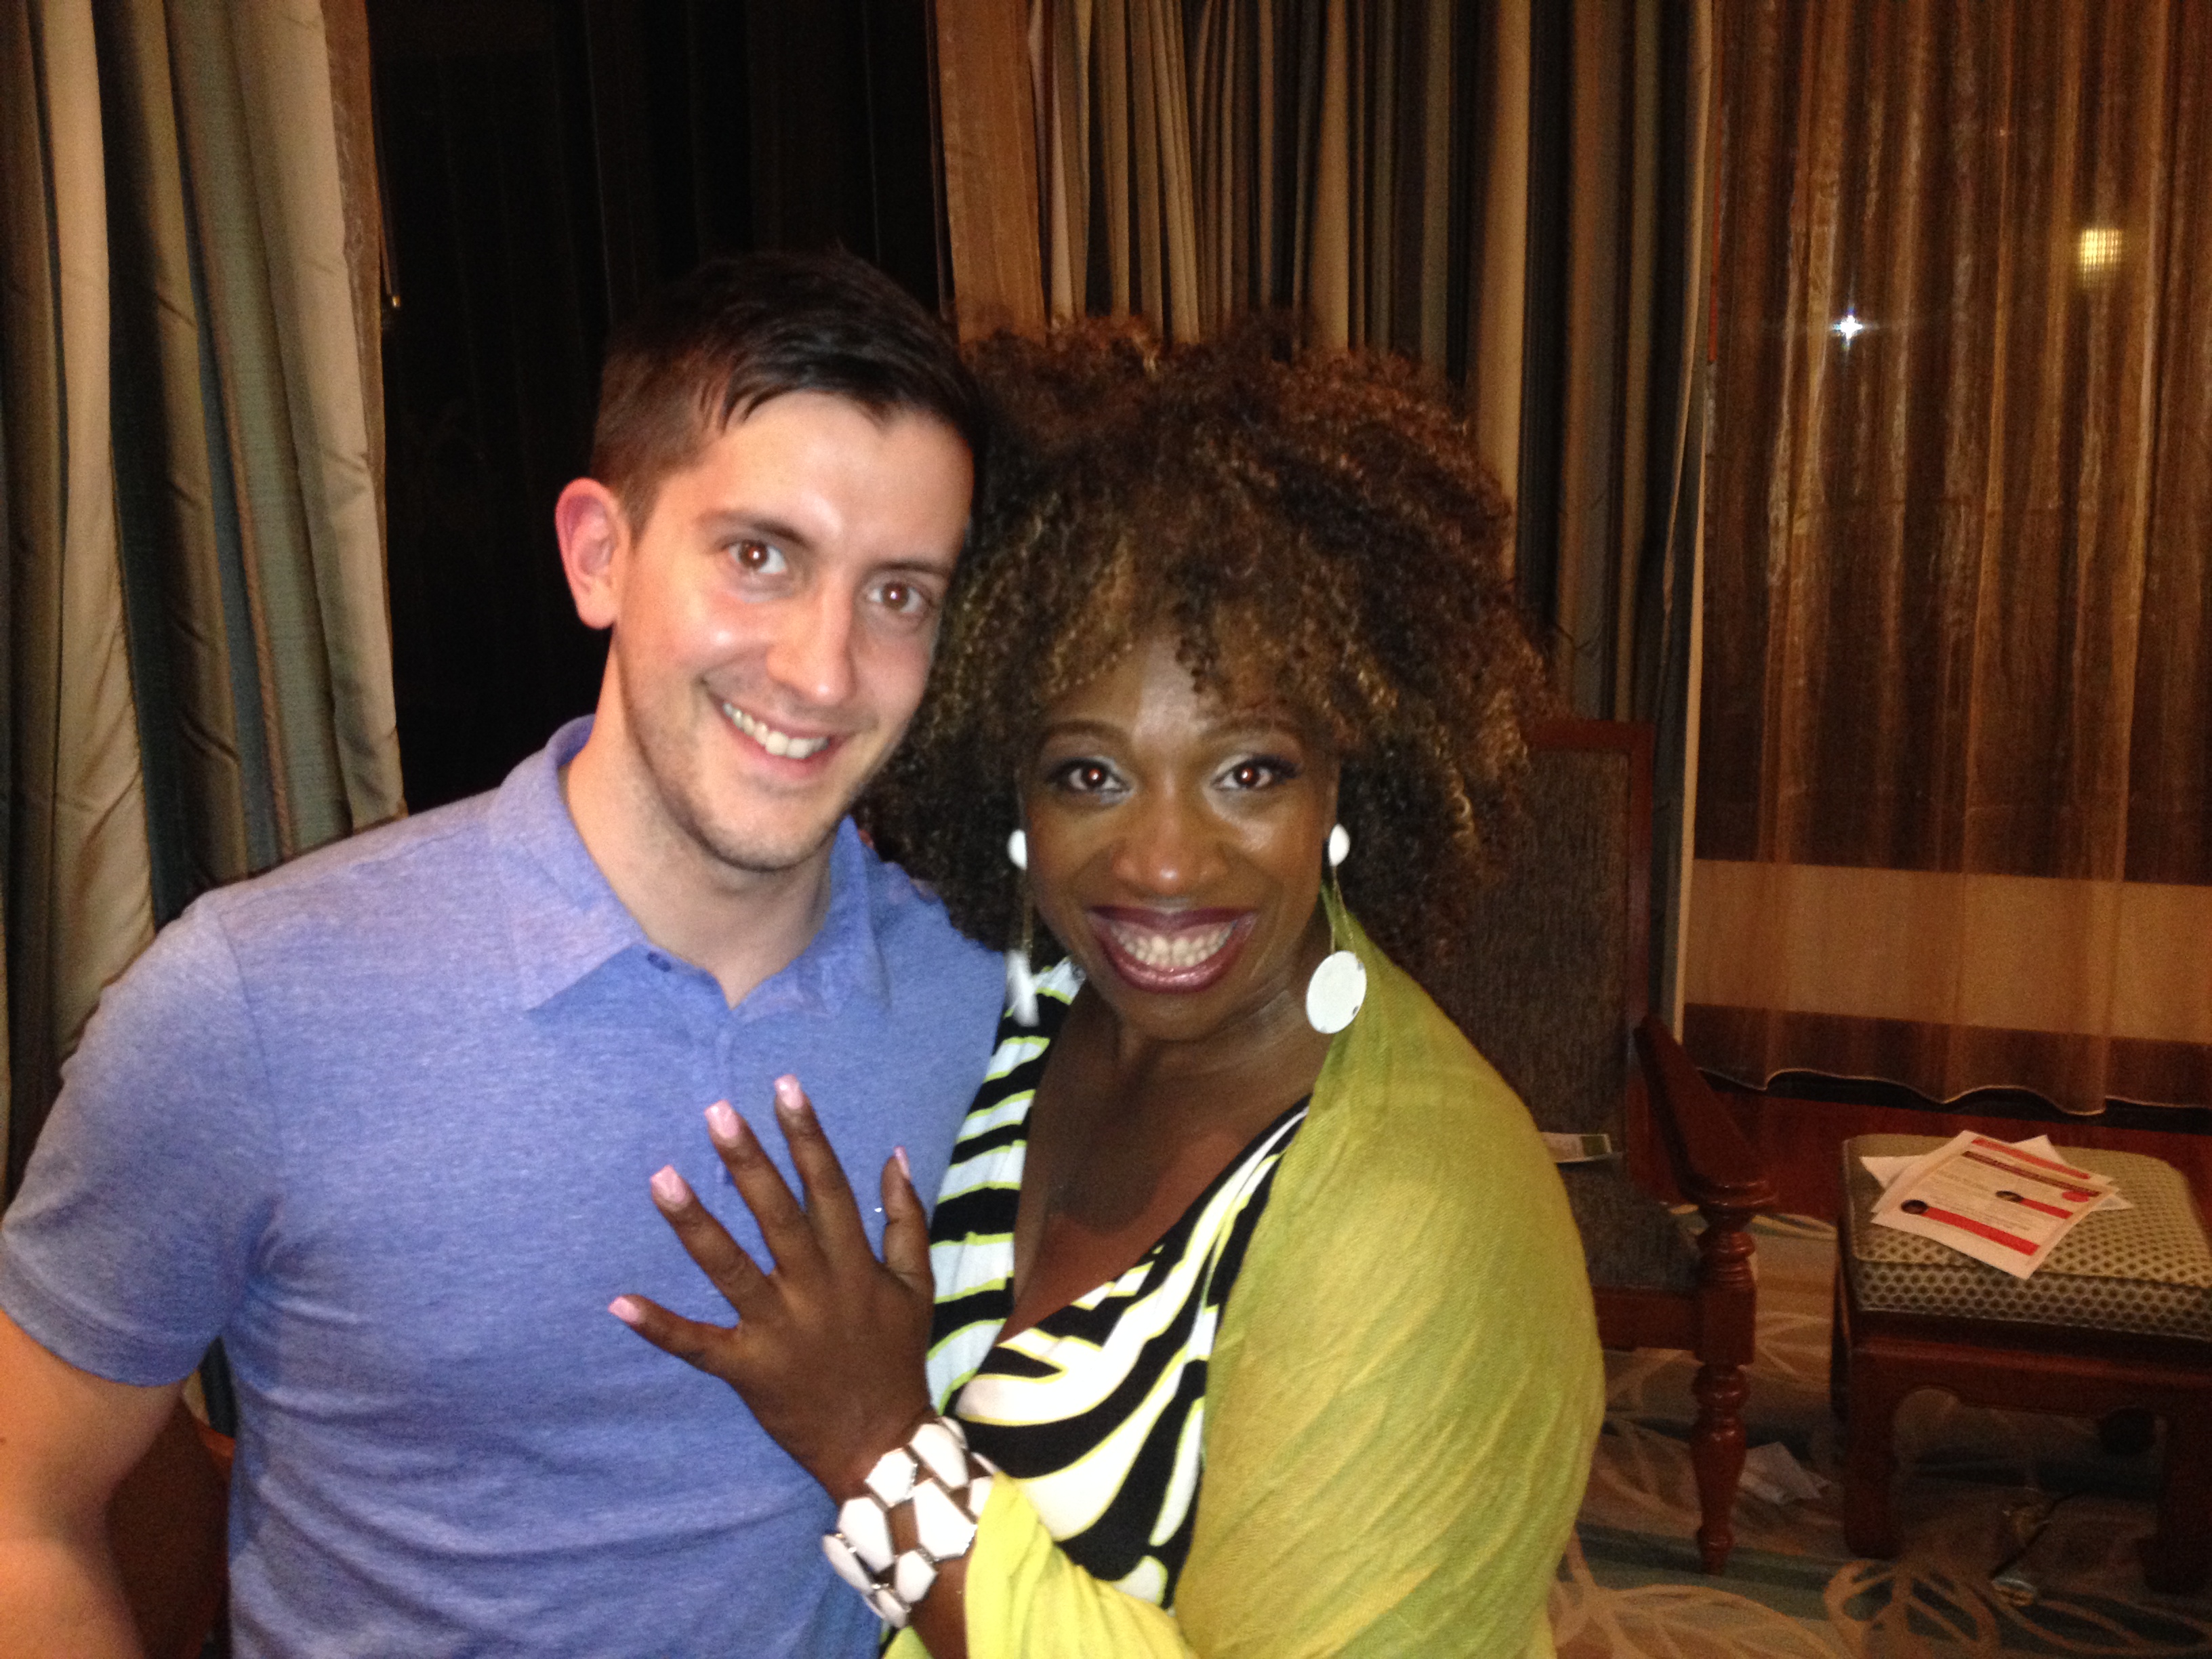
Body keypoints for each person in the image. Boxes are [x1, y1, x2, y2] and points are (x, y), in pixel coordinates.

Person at [0, 252, 1005, 1657]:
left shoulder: (986, 1000)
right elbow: (26, 1510)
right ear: (600, 554)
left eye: (899, 594)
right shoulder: (255, 1005)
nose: (824, 670)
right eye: (758, 557)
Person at [614, 323, 1606, 1656]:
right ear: (1006, 782)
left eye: (1249, 770)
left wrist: (879, 1451)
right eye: (1090, 773)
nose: (1162, 862)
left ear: (1350, 778)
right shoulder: (1023, 1006)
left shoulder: (1419, 1209)